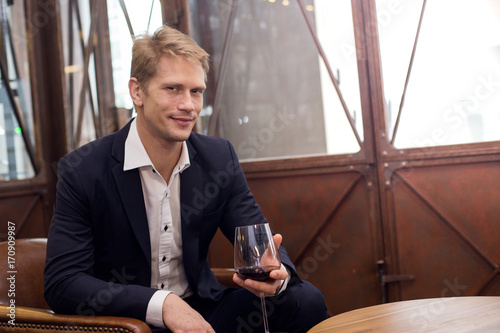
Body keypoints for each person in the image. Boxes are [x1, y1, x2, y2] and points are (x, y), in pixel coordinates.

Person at [44, 25, 328, 332]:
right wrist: (161, 304)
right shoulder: (83, 169)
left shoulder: (218, 157)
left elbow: (256, 237)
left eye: (196, 91)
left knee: (305, 300)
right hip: (125, 321)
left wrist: (276, 272)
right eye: (173, 89)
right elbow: (64, 283)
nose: (189, 105)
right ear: (137, 91)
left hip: (202, 308)